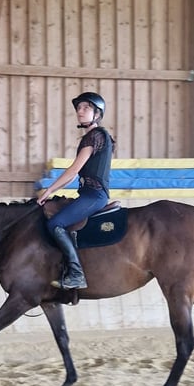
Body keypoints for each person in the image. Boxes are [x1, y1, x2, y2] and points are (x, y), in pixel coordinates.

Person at [37, 91, 115, 290]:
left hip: (94, 195)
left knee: (55, 223)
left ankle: (76, 274)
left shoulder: (95, 136)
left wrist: (49, 190)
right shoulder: (94, 136)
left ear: (97, 114)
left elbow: (73, 171)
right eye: (79, 108)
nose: (80, 111)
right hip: (88, 194)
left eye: (86, 108)